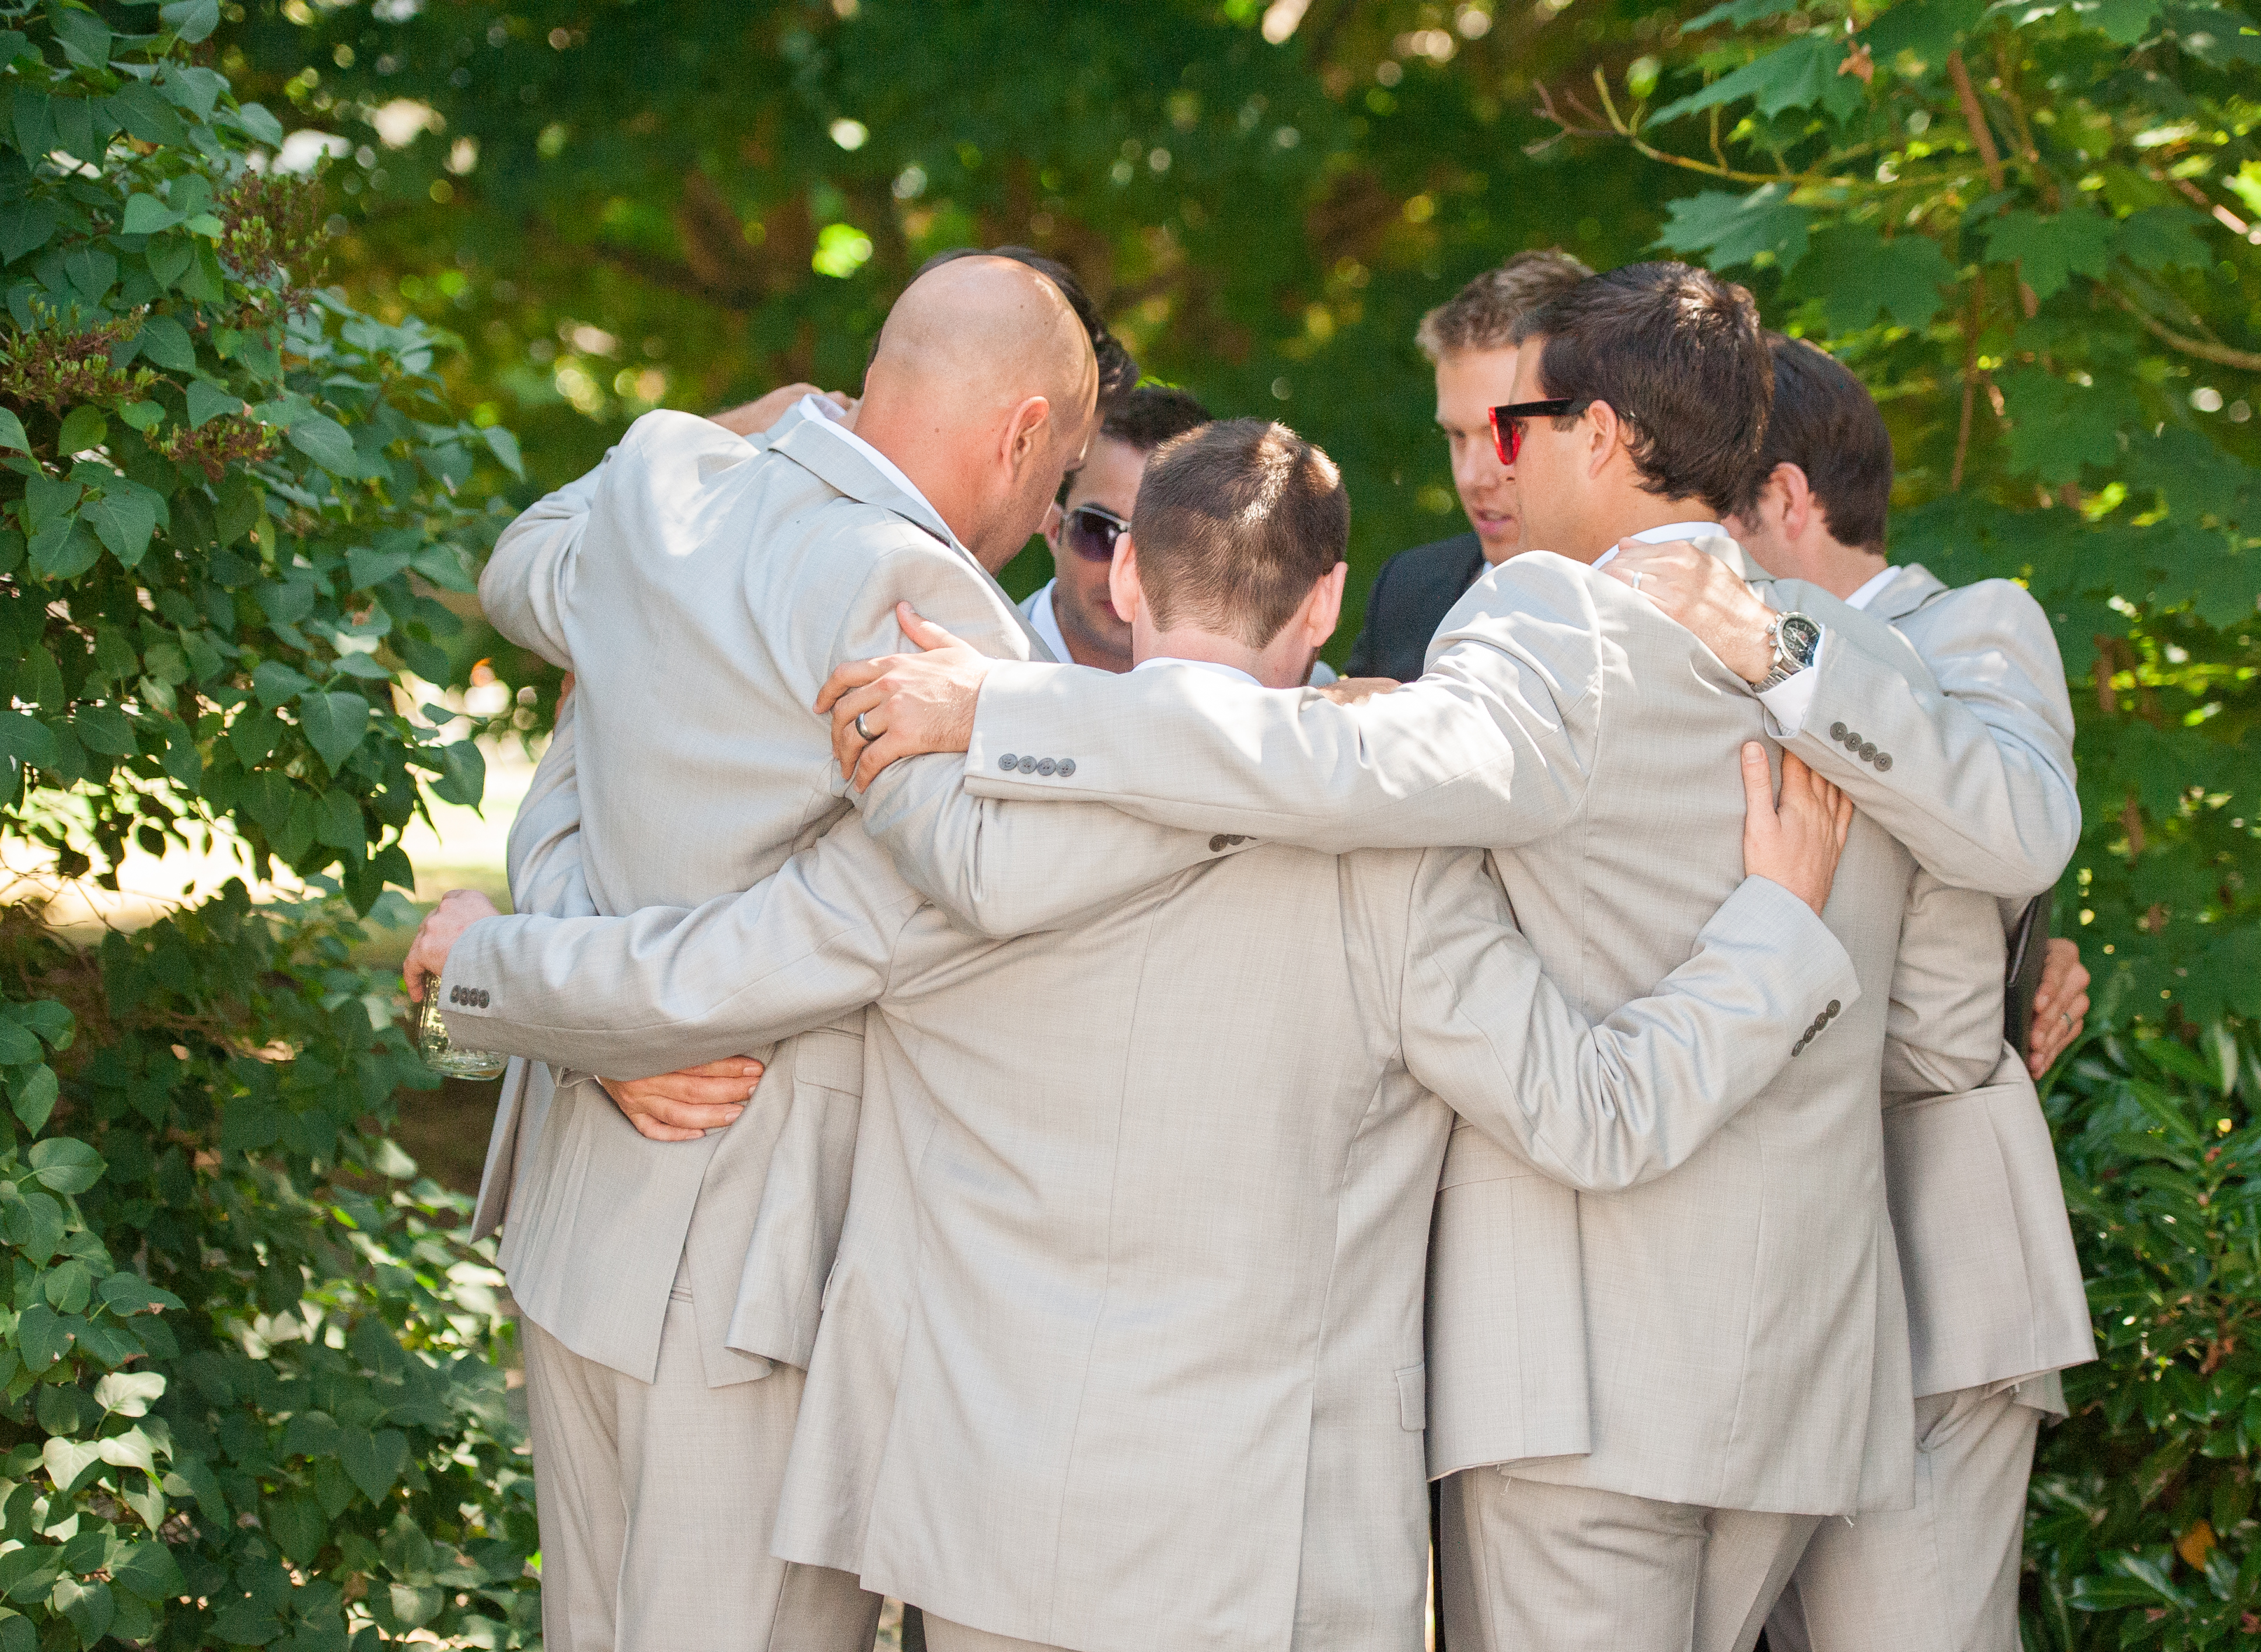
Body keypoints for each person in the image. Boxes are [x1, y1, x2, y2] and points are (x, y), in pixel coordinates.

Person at [410, 417, 1877, 1652]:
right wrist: (1776, 928)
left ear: (1119, 582)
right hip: (1272, 1557)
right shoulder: (1397, 876)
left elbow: (729, 960)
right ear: (1326, 603)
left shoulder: (956, 812)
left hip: (973, 1520)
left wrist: (515, 981)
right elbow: (1599, 1116)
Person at [815, 262, 2026, 1652]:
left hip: (1575, 1374)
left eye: (1517, 426)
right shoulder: (1858, 675)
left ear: (1605, 436)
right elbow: (1940, 1018)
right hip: (1806, 1359)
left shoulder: (1541, 620)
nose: (1491, 469)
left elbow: (1351, 772)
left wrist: (1007, 713)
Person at [434, 253, 1102, 1652]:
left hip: (583, 1216)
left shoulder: (662, 483)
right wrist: (539, 994)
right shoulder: (925, 606)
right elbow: (838, 929)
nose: (1050, 524)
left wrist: (753, 422)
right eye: (1066, 483)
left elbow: (522, 579)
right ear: (1024, 431)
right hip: (748, 1263)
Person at [1713, 335, 2096, 1652]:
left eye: (1705, 500)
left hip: (1936, 1256)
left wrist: (1785, 649)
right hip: (1754, 1257)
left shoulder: (1974, 624)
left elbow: (2014, 837)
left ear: (1780, 499)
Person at [1343, 247, 1588, 681]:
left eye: (1507, 432)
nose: (1473, 477)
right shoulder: (1406, 590)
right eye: (1456, 436)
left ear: (1596, 425)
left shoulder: (1677, 599)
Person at [1021, 384, 1210, 671]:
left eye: (1164, 542)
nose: (1128, 572)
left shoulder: (1262, 695)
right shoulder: (968, 664)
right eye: (1099, 530)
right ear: (1055, 531)